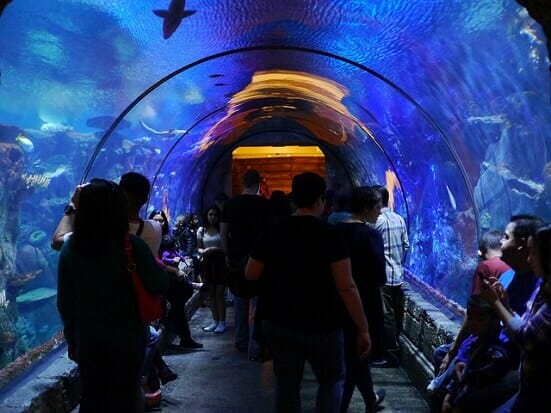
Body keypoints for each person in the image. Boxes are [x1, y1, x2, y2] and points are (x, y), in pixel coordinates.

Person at [245, 172, 371, 413]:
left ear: (294, 199)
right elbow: (346, 286)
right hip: (322, 322)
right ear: (320, 200)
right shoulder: (330, 235)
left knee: (287, 384)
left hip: (279, 319)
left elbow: (251, 273)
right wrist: (363, 328)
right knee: (331, 380)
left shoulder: (273, 231)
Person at [56, 179, 169, 412]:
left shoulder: (71, 249)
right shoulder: (132, 246)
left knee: (93, 396)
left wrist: (72, 337)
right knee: (127, 395)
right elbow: (159, 283)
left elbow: (65, 302)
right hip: (127, 338)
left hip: (88, 339)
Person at [431, 215, 542, 411]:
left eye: (506, 237)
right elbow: (484, 325)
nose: (501, 241)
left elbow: (525, 338)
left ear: (523, 245)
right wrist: (464, 357)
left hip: (511, 365)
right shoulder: (507, 276)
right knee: (445, 393)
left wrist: (497, 303)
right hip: (484, 351)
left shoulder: (540, 289)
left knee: (462, 401)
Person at [430, 229, 513, 392]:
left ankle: (440, 390)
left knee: (442, 354)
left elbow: (474, 313)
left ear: (480, 252)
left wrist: (453, 350)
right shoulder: (511, 269)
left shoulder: (485, 266)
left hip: (485, 339)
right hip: (505, 341)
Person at [481, 223, 551, 412]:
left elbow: (526, 337)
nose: (530, 259)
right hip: (527, 385)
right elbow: (526, 323)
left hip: (539, 392)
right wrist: (505, 305)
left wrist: (496, 303)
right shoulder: (543, 289)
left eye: (534, 253)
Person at [336, 186, 386, 413]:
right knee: (356, 359)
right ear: (366, 208)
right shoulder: (370, 235)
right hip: (364, 303)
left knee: (354, 356)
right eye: (377, 207)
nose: (380, 211)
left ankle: (370, 399)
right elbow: (379, 275)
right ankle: (340, 407)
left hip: (336, 302)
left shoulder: (334, 231)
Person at [221, 168, 269, 359]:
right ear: (259, 183)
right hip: (260, 258)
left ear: (243, 183)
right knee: (258, 303)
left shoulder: (230, 204)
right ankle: (255, 345)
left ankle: (240, 340)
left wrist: (228, 253)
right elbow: (269, 234)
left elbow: (224, 233)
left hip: (236, 258)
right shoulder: (265, 205)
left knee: (240, 301)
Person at [438, 295, 517, 413]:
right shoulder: (470, 342)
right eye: (470, 317)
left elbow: (475, 382)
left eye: (480, 319)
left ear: (494, 321)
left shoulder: (495, 353)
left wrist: (456, 401)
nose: (473, 324)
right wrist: (449, 396)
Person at [370, 185, 409, 354]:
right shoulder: (399, 219)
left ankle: (390, 352)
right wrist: (398, 262)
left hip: (382, 275)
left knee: (385, 314)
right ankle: (394, 344)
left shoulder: (375, 221)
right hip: (397, 275)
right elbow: (406, 245)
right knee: (395, 312)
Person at [197, 205, 228, 334]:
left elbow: (226, 247)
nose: (212, 217)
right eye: (210, 214)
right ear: (206, 215)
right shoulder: (201, 230)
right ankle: (215, 320)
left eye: (215, 215)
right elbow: (198, 247)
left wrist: (214, 249)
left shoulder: (222, 229)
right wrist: (203, 251)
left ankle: (222, 322)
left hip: (220, 262)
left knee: (219, 293)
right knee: (211, 294)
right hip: (208, 263)